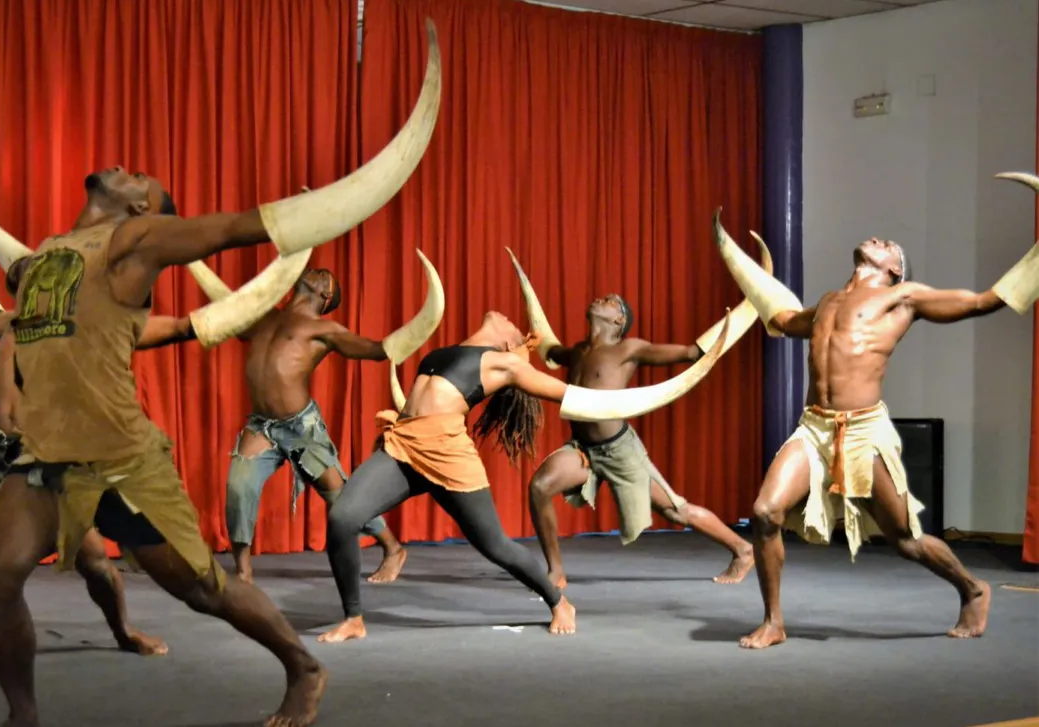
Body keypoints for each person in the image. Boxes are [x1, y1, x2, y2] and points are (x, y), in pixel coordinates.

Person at [0, 18, 441, 727]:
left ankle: (303, 665)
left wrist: (299, 219)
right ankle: (24, 715)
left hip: (118, 459)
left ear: (142, 207)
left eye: (140, 178)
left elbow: (230, 228)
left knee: (201, 588)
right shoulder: (46, 254)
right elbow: (9, 317)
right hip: (44, 458)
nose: (128, 168)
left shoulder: (135, 237)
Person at [712, 176, 1039, 649]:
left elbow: (982, 301)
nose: (878, 239)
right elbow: (781, 320)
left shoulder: (903, 299)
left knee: (905, 539)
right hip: (814, 427)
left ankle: (972, 588)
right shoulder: (828, 302)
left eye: (888, 245)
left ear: (894, 270)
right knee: (765, 512)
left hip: (864, 430)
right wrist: (738, 264)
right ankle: (774, 622)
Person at [0, 155, 194, 683]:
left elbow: (165, 327)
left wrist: (197, 324)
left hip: (45, 458)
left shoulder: (93, 318)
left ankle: (123, 630)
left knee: (94, 560)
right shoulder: (13, 320)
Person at [317, 303, 733, 644]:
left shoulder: (506, 365)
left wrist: (637, 392)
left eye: (514, 328)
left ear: (510, 345)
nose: (507, 317)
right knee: (343, 516)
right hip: (404, 446)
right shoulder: (450, 350)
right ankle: (354, 618)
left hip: (448, 456)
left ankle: (558, 600)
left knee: (495, 545)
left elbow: (570, 396)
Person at [186, 251, 444, 585]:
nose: (316, 271)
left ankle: (393, 548)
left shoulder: (325, 330)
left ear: (324, 296)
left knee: (340, 497)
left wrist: (399, 341)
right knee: (238, 487)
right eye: (317, 270)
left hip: (301, 428)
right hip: (262, 426)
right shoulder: (266, 318)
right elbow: (231, 314)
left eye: (323, 275)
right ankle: (244, 573)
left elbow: (377, 350)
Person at [508, 247, 757, 586]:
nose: (601, 299)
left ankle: (742, 549)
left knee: (674, 510)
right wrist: (518, 344)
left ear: (618, 320)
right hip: (583, 450)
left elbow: (691, 353)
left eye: (610, 301)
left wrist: (739, 316)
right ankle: (556, 570)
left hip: (619, 450)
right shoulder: (578, 351)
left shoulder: (629, 348)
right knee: (540, 487)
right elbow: (549, 351)